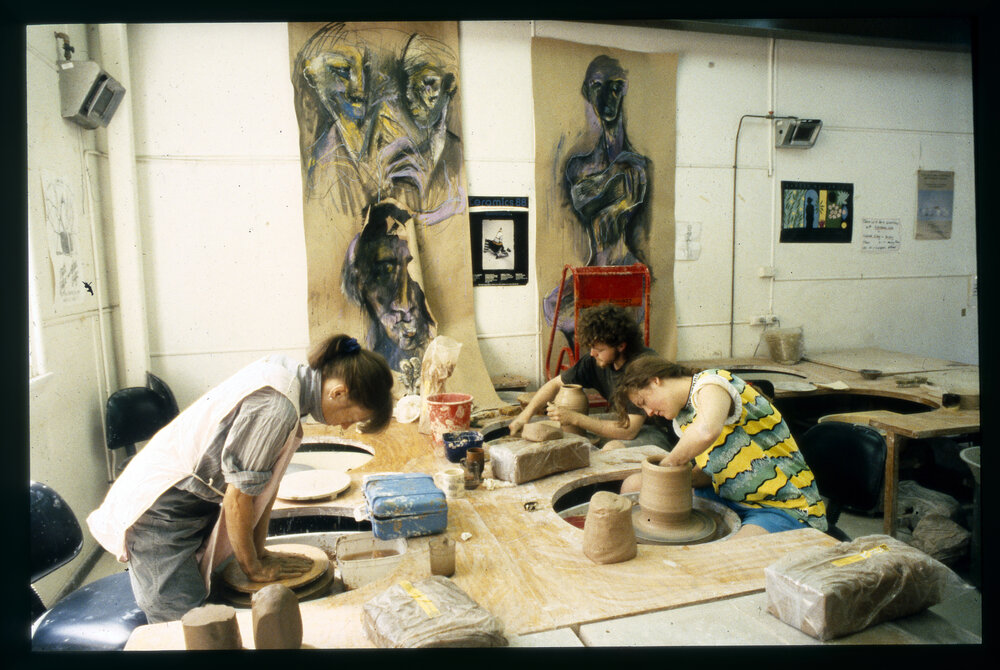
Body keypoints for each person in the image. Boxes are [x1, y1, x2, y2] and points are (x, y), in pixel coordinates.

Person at [86, 334, 394, 623]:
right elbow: (237, 501)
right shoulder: (278, 407)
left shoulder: (289, 373)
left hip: (188, 502)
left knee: (216, 608)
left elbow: (262, 488)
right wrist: (252, 567)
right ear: (338, 391)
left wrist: (261, 553)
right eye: (351, 418)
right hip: (161, 512)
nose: (344, 427)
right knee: (193, 627)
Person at [611, 355, 828, 538]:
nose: (648, 412)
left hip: (781, 504)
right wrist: (668, 480)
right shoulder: (683, 416)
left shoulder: (713, 384)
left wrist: (669, 464)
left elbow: (706, 430)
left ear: (654, 381)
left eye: (644, 402)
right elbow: (713, 468)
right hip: (730, 496)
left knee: (728, 558)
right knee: (634, 484)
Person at [508, 304, 673, 451]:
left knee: (611, 449)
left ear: (621, 345)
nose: (593, 353)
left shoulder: (640, 366)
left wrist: (574, 417)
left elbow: (629, 431)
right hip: (628, 423)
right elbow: (554, 385)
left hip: (659, 432)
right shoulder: (595, 360)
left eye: (599, 349)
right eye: (591, 347)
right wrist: (524, 417)